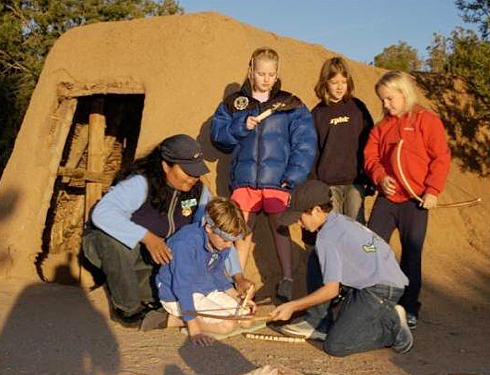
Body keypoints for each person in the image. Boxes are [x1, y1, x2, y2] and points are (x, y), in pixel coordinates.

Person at [82, 134, 248, 329]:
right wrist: (147, 238)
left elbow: (217, 233)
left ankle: (145, 299)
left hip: (158, 258)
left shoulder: (199, 192)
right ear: (166, 166)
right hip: (115, 248)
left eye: (196, 172)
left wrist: (238, 277)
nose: (193, 178)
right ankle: (128, 311)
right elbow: (102, 214)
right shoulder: (141, 183)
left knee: (165, 288)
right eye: (187, 171)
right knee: (113, 242)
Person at [210, 47, 317, 301]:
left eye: (271, 73)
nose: (266, 78)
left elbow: (305, 143)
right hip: (244, 180)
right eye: (261, 73)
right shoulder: (235, 103)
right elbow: (218, 136)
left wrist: (292, 176)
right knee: (241, 232)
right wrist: (240, 126)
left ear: (277, 73)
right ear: (251, 71)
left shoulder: (290, 104)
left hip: (277, 181)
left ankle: (287, 280)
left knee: (280, 229)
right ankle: (237, 283)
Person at [269, 180, 414, 357]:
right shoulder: (340, 220)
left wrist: (293, 306)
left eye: (300, 218)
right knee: (316, 258)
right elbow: (373, 250)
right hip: (383, 281)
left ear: (316, 210)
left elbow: (331, 290)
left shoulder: (326, 238)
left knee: (336, 345)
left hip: (379, 290)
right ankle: (320, 322)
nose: (299, 223)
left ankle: (392, 329)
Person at [364, 71, 451, 329]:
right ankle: (370, 301)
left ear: (404, 93)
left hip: (416, 202)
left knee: (411, 255)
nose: (386, 105)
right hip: (388, 198)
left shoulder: (427, 120)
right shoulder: (382, 126)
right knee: (371, 246)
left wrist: (433, 190)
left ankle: (409, 307)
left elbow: (441, 157)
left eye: (390, 99)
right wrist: (380, 177)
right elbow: (370, 156)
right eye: (382, 100)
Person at [156, 197, 262, 346]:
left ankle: (194, 318)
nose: (229, 245)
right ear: (209, 228)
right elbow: (182, 287)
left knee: (246, 320)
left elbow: (217, 272)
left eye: (233, 241)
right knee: (226, 326)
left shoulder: (221, 244)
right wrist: (195, 329)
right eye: (226, 240)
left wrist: (238, 297)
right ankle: (177, 320)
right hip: (177, 294)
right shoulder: (185, 244)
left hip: (205, 287)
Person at [310, 56, 373, 224]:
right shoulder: (317, 113)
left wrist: (370, 177)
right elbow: (312, 151)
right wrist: (314, 183)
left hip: (355, 183)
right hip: (327, 185)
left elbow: (370, 143)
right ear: (325, 83)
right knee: (333, 228)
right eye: (334, 82)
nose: (339, 87)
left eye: (343, 82)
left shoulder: (357, 108)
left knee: (356, 229)